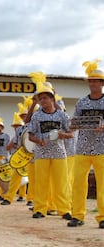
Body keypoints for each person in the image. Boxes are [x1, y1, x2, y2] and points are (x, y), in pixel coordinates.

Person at [27, 72, 72, 220]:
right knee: (41, 183)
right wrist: (38, 140)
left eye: (45, 97)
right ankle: (40, 209)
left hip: (59, 153)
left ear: (53, 98)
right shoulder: (36, 116)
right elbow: (30, 135)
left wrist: (62, 135)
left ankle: (64, 210)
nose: (42, 100)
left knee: (61, 183)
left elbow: (70, 133)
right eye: (40, 98)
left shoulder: (62, 116)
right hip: (41, 153)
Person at [68, 60, 104, 228]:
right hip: (82, 147)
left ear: (102, 83)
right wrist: (73, 125)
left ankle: (102, 217)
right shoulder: (81, 102)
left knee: (103, 184)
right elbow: (74, 123)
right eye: (90, 80)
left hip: (102, 148)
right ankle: (77, 216)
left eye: (95, 80)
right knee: (78, 183)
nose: (92, 83)